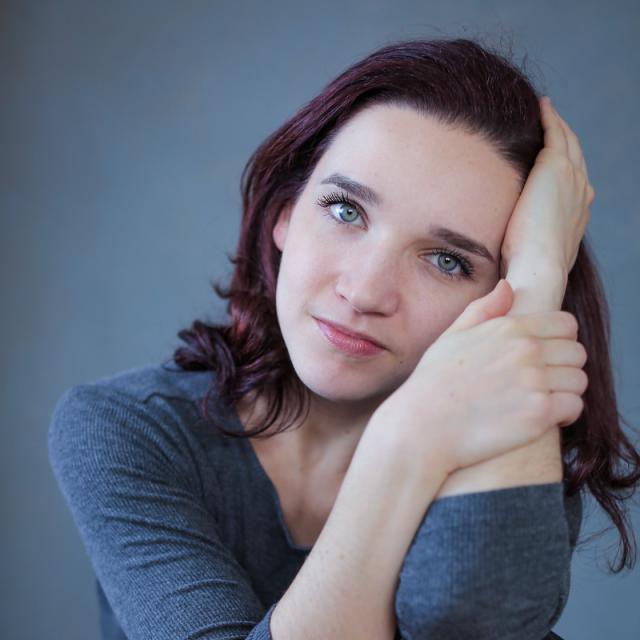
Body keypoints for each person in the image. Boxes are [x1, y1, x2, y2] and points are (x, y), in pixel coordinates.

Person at [48, 37, 640, 640]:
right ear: (284, 210)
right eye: (345, 211)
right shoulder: (123, 428)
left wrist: (539, 281)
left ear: (500, 291)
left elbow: (476, 624)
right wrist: (404, 444)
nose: (364, 292)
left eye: (446, 261)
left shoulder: (503, 440)